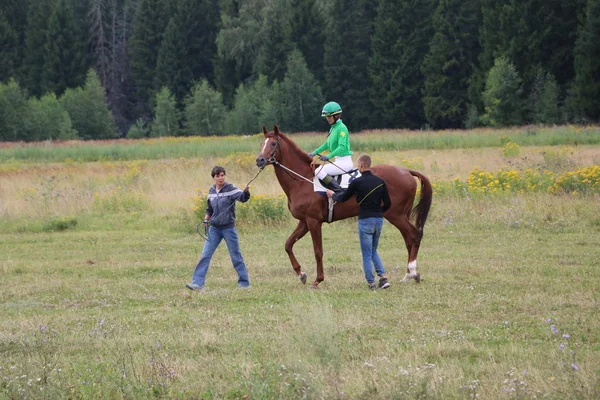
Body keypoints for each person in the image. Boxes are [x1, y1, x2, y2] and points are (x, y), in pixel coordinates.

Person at [326, 155, 391, 290]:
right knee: (373, 250)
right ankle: (383, 278)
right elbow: (388, 203)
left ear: (361, 166)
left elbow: (343, 198)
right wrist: (379, 212)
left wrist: (332, 194)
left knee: (367, 253)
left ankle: (371, 283)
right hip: (378, 220)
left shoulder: (357, 182)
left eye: (357, 165)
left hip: (365, 221)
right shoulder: (380, 181)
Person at [186, 166, 251, 290]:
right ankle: (197, 283)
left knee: (235, 255)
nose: (220, 178)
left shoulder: (231, 188)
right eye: (218, 176)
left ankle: (244, 283)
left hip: (228, 228)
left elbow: (243, 198)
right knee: (205, 255)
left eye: (222, 175)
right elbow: (208, 209)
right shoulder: (211, 191)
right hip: (214, 229)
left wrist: (246, 192)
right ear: (213, 177)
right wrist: (206, 219)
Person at [308, 101, 353, 192]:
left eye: (329, 116)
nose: (327, 119)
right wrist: (314, 152)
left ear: (336, 116)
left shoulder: (342, 128)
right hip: (338, 161)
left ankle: (338, 192)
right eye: (326, 117)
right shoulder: (333, 128)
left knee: (318, 171)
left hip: (344, 163)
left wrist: (329, 156)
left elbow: (342, 147)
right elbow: (326, 144)